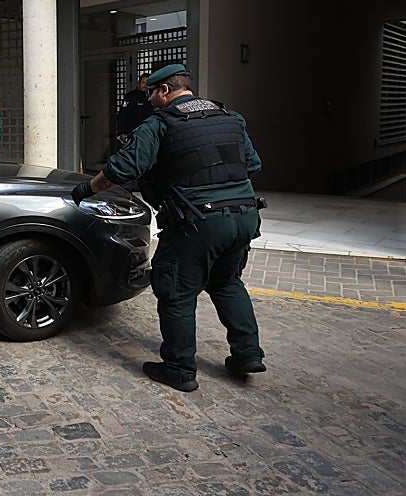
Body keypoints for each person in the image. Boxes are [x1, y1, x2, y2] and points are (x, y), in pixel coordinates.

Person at [71, 63, 265, 392]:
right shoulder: (229, 117)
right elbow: (253, 164)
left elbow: (123, 168)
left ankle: (179, 368)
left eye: (150, 94)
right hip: (244, 216)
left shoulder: (161, 124)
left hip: (197, 223)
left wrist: (85, 190)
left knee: (176, 290)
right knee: (227, 282)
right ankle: (248, 354)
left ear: (165, 91)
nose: (147, 100)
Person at [115, 72, 153, 144]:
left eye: (147, 83)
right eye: (143, 82)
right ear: (138, 83)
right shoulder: (130, 97)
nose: (145, 85)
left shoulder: (151, 97)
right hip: (131, 133)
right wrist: (120, 133)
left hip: (146, 133)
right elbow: (122, 115)